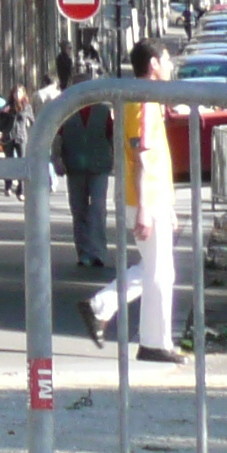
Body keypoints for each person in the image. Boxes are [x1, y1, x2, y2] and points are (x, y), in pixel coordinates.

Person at [88, 40, 183, 362]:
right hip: (144, 198)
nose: (170, 65)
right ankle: (155, 343)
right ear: (154, 64)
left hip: (151, 198)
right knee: (159, 272)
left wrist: (165, 206)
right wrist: (146, 207)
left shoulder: (145, 99)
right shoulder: (142, 101)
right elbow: (142, 155)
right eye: (167, 59)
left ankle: (105, 310)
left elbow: (153, 158)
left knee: (158, 270)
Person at [57, 48, 116, 271]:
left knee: (98, 208)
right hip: (74, 166)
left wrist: (116, 159)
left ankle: (98, 252)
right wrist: (57, 159)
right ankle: (83, 253)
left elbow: (112, 136)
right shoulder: (64, 111)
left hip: (99, 165)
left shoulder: (102, 110)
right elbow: (57, 137)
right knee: (79, 210)